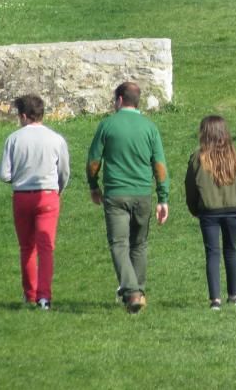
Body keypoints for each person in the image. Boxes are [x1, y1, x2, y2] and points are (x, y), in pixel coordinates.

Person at [87, 81, 170, 314]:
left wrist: (94, 186)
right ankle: (138, 291)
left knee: (119, 244)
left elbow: (93, 162)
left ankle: (132, 291)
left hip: (115, 194)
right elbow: (160, 165)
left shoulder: (107, 125)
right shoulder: (149, 127)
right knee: (139, 243)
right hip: (143, 193)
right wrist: (163, 198)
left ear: (120, 100)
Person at [0, 94, 71, 311]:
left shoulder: (14, 139)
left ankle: (29, 293)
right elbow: (64, 171)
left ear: (23, 115)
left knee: (27, 247)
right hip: (48, 194)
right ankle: (44, 297)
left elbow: (4, 174)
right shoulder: (56, 139)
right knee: (46, 248)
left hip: (21, 195)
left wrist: (17, 178)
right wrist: (58, 188)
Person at [185, 115, 236, 311]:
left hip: (208, 211)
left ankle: (215, 299)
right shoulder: (234, 155)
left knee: (212, 253)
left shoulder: (198, 157)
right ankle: (234, 294)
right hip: (233, 210)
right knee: (231, 250)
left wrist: (194, 209)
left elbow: (190, 187)